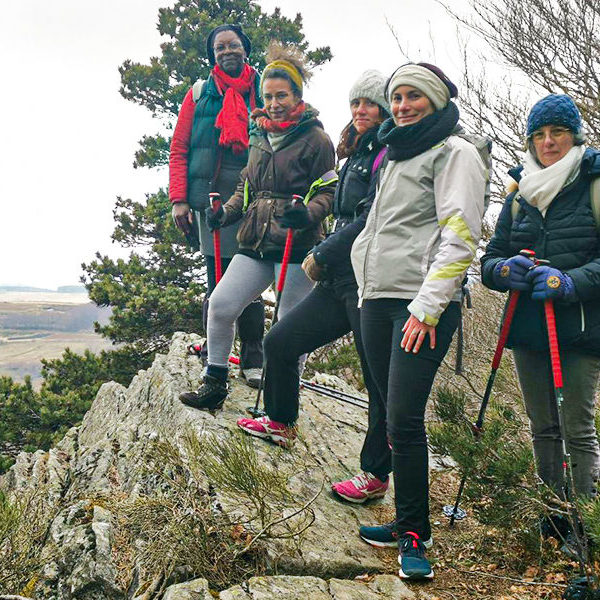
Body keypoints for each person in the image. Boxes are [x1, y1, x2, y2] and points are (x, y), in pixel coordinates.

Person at [352, 63, 490, 579]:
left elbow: (460, 235)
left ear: (434, 100)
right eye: (398, 96)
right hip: (376, 297)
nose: (404, 105)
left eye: (414, 96)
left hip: (419, 305)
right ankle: (404, 520)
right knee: (390, 413)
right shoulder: (394, 152)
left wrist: (429, 306)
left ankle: (414, 534)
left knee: (405, 419)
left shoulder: (454, 152)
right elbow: (377, 227)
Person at [236, 70, 394, 501]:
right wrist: (306, 214)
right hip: (341, 278)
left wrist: (322, 250)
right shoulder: (356, 152)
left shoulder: (390, 155)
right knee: (281, 341)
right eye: (356, 104)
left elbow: (370, 218)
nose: (361, 111)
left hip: (369, 281)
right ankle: (281, 421)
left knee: (378, 381)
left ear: (386, 109)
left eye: (370, 104)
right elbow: (333, 194)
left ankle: (375, 476)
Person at [178, 43, 337, 411]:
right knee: (220, 304)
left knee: (287, 327)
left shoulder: (317, 139)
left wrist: (309, 215)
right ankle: (214, 382)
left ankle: (283, 402)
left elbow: (329, 189)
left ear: (298, 95)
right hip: (256, 240)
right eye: (268, 95)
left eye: (282, 95)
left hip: (297, 245)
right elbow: (247, 186)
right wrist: (226, 213)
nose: (275, 102)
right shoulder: (259, 133)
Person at [481, 94, 600, 548]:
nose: (548, 142)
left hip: (582, 328)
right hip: (530, 328)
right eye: (539, 135)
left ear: (575, 135)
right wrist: (504, 270)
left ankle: (586, 523)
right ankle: (553, 517)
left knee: (578, 428)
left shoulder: (593, 182)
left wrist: (568, 282)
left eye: (558, 133)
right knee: (543, 427)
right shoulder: (519, 193)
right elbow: (490, 260)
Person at [169, 24, 265, 387]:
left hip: (255, 198)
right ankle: (216, 351)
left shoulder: (264, 88)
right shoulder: (198, 95)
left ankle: (254, 355)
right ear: (213, 55)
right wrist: (178, 199)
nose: (228, 51)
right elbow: (179, 149)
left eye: (234, 45)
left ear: (245, 49)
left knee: (252, 277)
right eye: (220, 47)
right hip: (209, 200)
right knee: (217, 276)